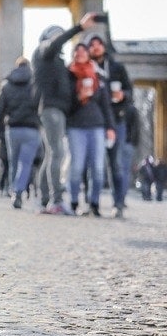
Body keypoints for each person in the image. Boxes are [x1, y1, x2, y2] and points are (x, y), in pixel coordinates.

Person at [31, 12, 99, 215]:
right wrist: (79, 27)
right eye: (55, 36)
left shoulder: (58, 63)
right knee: (57, 153)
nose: (59, 40)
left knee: (51, 154)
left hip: (56, 110)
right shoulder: (44, 51)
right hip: (50, 109)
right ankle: (57, 200)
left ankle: (44, 200)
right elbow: (54, 44)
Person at [86, 33, 134, 218]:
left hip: (116, 120)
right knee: (94, 165)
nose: (96, 47)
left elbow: (130, 91)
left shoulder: (117, 67)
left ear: (104, 47)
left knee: (116, 164)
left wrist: (123, 95)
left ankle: (118, 203)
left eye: (99, 44)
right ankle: (93, 203)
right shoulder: (85, 68)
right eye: (92, 44)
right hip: (94, 122)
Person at [65, 43, 115, 217]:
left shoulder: (98, 76)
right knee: (77, 166)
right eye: (76, 51)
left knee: (98, 168)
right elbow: (65, 104)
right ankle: (73, 202)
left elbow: (106, 105)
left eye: (82, 51)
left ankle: (94, 203)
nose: (79, 54)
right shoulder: (68, 75)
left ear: (88, 55)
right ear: (73, 55)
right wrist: (79, 98)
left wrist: (110, 127)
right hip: (76, 126)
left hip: (97, 125)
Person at [0, 57, 41, 209]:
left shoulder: (6, 85)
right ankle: (19, 191)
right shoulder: (35, 83)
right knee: (25, 163)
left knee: (13, 162)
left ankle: (13, 191)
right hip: (32, 128)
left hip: (12, 128)